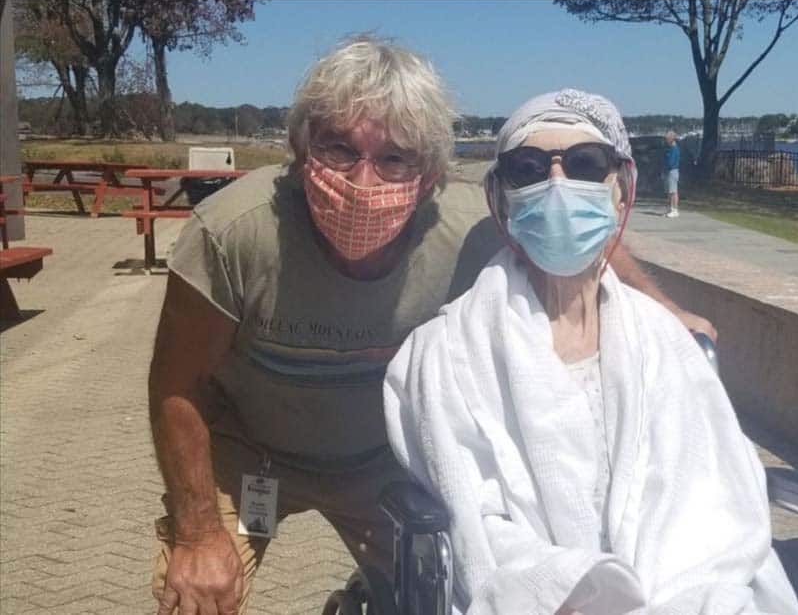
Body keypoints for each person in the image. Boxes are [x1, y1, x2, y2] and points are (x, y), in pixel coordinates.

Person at [149, 37, 714, 614]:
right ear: (300, 148)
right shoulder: (233, 233)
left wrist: (664, 310)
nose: (363, 184)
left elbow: (566, 241)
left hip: (381, 462)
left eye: (395, 158)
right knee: (194, 597)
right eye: (339, 149)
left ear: (432, 175)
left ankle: (359, 601)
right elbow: (176, 385)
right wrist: (197, 534)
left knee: (441, 597)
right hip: (251, 453)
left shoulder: (468, 227)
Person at [384, 90, 798, 614]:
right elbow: (476, 520)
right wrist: (570, 590)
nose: (557, 183)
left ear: (620, 192)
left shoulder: (665, 344)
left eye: (585, 164)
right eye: (528, 168)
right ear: (501, 199)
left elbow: (715, 505)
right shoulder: (445, 355)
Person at [664, 130, 680, 218]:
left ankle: (675, 209)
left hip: (673, 171)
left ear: (672, 139)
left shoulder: (674, 149)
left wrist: (667, 166)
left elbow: (671, 162)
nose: (666, 140)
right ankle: (671, 208)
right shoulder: (671, 148)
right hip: (669, 171)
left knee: (673, 191)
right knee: (670, 191)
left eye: (667, 138)